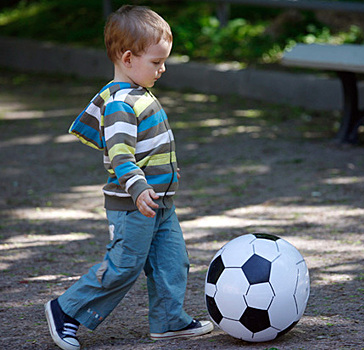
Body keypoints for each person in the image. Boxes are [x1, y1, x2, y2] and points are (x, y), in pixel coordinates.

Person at [44, 5, 213, 350]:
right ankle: (66, 310)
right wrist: (138, 189)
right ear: (127, 57)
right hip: (134, 205)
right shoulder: (120, 102)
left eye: (164, 62)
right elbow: (120, 155)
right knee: (124, 266)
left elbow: (145, 149)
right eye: (156, 62)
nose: (162, 69)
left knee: (172, 260)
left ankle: (169, 320)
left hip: (158, 202)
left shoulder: (139, 94)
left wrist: (165, 172)